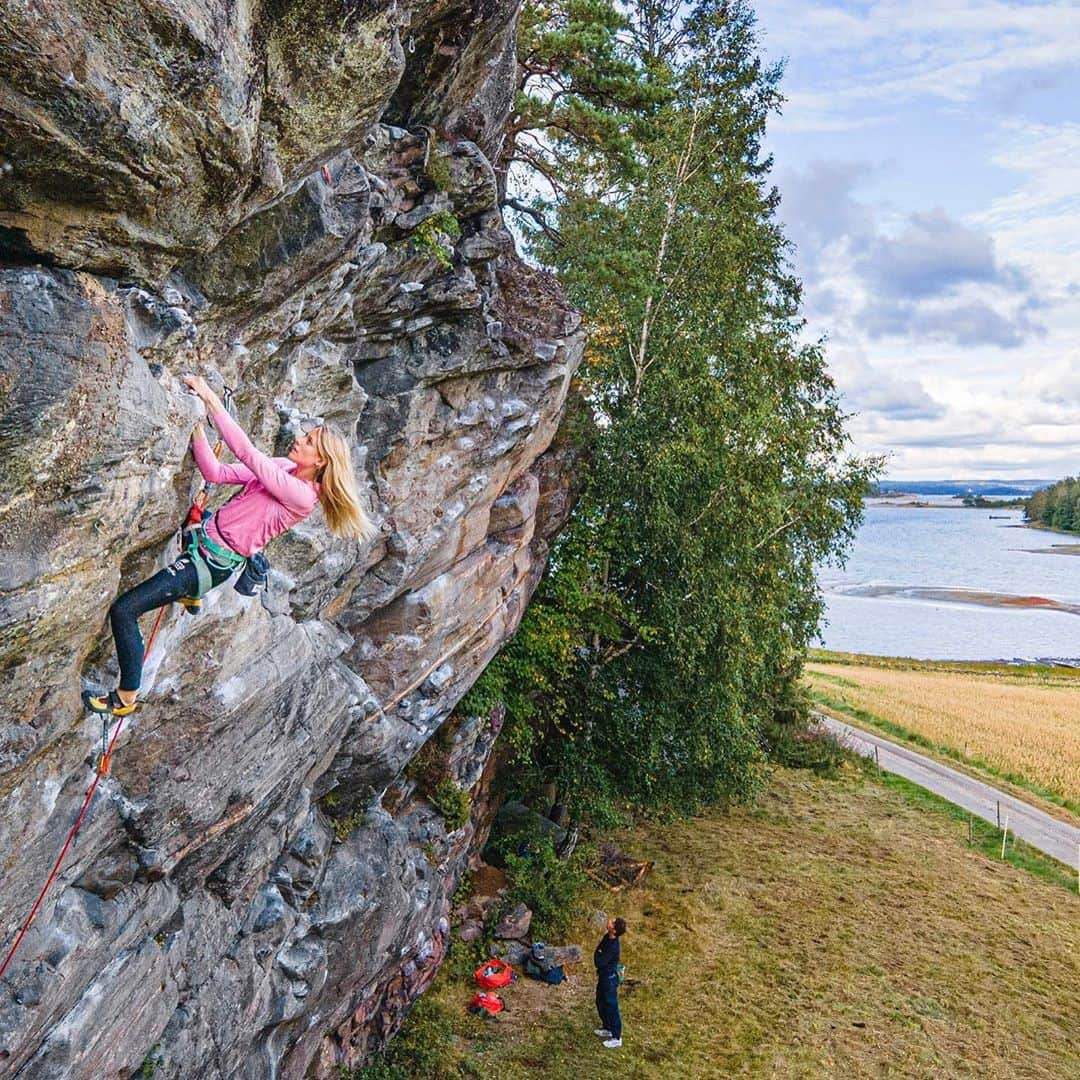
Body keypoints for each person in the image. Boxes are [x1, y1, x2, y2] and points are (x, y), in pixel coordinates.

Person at [82, 373, 376, 717]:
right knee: (146, 595)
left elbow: (247, 453)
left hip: (207, 564)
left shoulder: (300, 495)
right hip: (205, 541)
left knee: (124, 610)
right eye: (306, 436)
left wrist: (209, 398)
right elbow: (216, 473)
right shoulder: (285, 468)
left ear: (321, 461)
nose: (299, 440)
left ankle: (125, 696)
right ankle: (188, 595)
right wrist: (196, 431)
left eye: (309, 442)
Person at [594, 916, 626, 1049]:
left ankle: (616, 1037)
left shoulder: (613, 946)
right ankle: (607, 1027)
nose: (609, 921)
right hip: (603, 977)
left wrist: (598, 954)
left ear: (614, 929)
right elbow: (598, 952)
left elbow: (599, 960)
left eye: (612, 922)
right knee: (600, 1002)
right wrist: (598, 954)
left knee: (611, 1007)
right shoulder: (607, 937)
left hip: (609, 980)